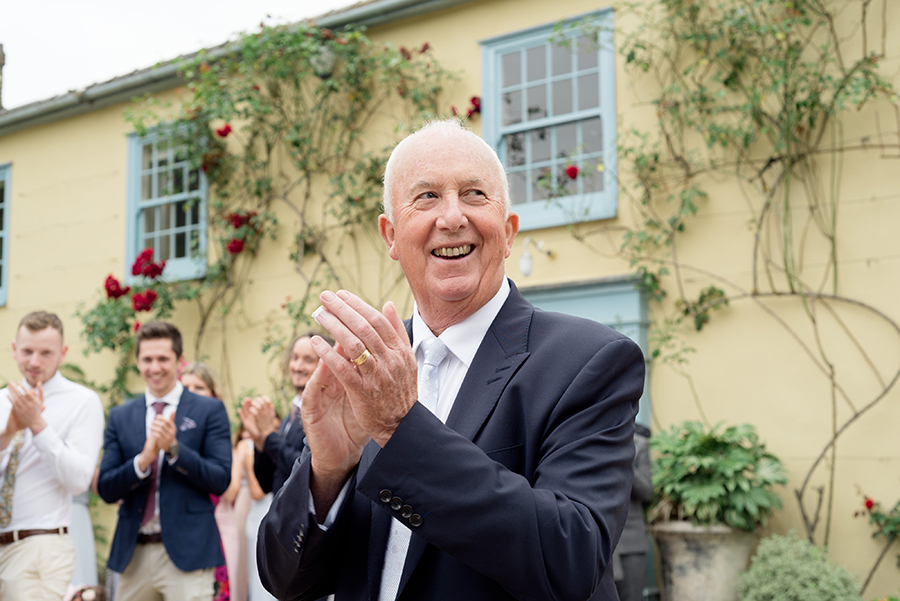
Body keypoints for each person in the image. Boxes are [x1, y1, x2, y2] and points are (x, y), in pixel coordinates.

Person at [258, 119, 646, 601]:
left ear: (508, 233)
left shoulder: (590, 361)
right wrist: (327, 473)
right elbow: (284, 581)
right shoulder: (365, 369)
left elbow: (569, 562)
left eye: (474, 194)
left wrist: (402, 429)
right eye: (427, 197)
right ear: (392, 236)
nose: (452, 217)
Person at [97, 321, 232, 601]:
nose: (154, 367)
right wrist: (143, 461)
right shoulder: (121, 416)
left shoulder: (209, 409)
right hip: (133, 553)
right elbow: (107, 488)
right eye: (147, 359)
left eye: (163, 359)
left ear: (179, 361)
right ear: (137, 362)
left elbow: (220, 479)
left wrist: (174, 450)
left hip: (189, 552)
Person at [0, 311, 105, 600]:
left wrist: (37, 425)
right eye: (27, 351)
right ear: (13, 349)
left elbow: (78, 481)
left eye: (46, 352)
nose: (34, 361)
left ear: (63, 353)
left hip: (40, 546)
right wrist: (6, 434)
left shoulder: (83, 401)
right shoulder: (0, 401)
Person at [238, 331, 333, 498]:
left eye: (308, 360)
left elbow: (310, 472)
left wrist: (269, 436)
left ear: (326, 366)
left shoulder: (327, 415)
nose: (297, 366)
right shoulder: (290, 415)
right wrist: (260, 440)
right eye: (295, 358)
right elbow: (267, 483)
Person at [180, 362, 235, 601]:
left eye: (199, 387)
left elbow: (227, 488)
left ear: (214, 396)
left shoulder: (220, 442)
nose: (191, 393)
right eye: (185, 387)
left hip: (217, 529)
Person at [613, 424, 653, 601]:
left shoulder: (640, 444)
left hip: (630, 539)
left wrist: (626, 459)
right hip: (598, 537)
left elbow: (646, 492)